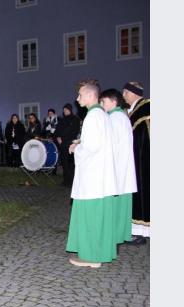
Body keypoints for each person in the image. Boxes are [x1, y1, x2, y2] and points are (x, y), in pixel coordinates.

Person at [66, 79, 117, 268]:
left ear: (89, 95)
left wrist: (75, 148)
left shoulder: (93, 116)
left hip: (92, 179)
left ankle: (91, 256)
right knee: (98, 217)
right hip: (100, 177)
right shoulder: (102, 115)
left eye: (80, 95)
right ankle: (97, 253)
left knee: (91, 217)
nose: (77, 98)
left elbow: (92, 147)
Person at [100, 88, 137, 245]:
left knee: (115, 205)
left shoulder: (113, 118)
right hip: (124, 168)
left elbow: (108, 144)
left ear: (113, 102)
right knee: (123, 204)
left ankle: (113, 235)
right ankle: (121, 233)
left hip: (116, 168)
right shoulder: (122, 116)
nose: (102, 104)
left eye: (104, 101)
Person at [122, 81, 150, 245]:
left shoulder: (146, 109)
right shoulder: (131, 111)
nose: (124, 95)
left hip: (143, 159)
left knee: (143, 191)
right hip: (134, 160)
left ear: (134, 93)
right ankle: (137, 230)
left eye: (126, 92)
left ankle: (141, 231)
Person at [54, 103, 80, 187]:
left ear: (70, 110)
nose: (65, 111)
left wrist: (67, 139)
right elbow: (57, 131)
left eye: (66, 110)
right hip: (63, 145)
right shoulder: (62, 120)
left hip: (70, 144)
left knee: (71, 164)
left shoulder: (75, 119)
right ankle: (65, 181)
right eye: (64, 110)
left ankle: (72, 182)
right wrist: (58, 137)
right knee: (64, 163)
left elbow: (75, 131)